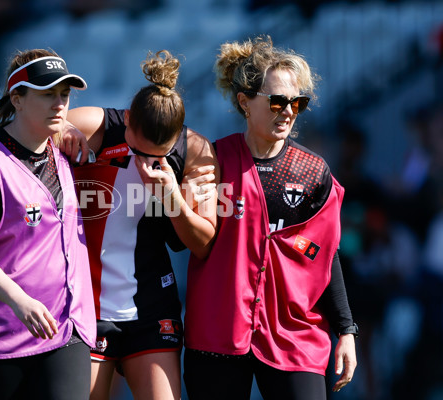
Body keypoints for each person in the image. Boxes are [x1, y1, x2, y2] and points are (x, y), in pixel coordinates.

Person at [182, 36, 358, 400]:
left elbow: (325, 256)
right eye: (278, 101)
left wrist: (346, 330)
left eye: (298, 102)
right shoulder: (213, 161)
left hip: (295, 335)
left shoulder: (314, 172)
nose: (289, 110)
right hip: (217, 331)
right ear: (245, 102)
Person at [0, 49, 96, 399]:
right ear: (17, 99)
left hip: (64, 331)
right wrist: (18, 300)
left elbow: (126, 121)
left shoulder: (63, 146)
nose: (59, 103)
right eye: (47, 93)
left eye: (64, 95)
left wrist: (69, 124)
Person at [63, 50, 219, 399]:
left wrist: (172, 198)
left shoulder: (196, 151)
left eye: (159, 155)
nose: (147, 163)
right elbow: (30, 134)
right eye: (139, 150)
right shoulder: (98, 125)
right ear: (129, 120)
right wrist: (62, 130)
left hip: (151, 306)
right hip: (87, 307)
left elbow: (203, 243)